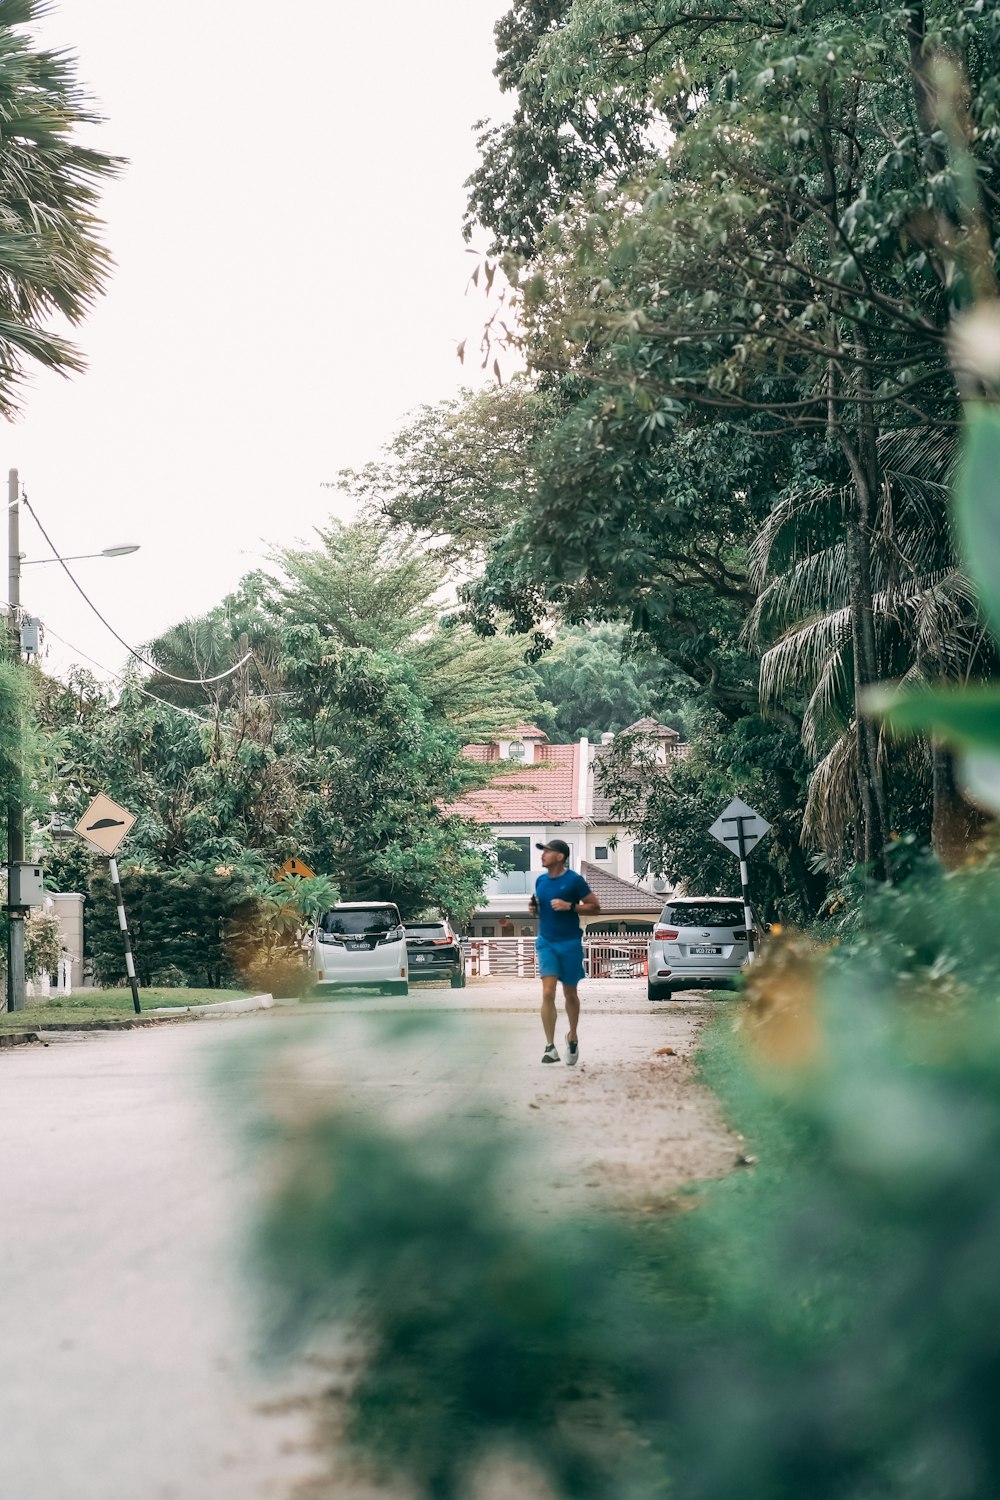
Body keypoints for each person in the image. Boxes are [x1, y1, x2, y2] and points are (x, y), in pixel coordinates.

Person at [529, 838, 600, 1065]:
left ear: (560, 856)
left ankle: (572, 1035)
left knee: (570, 993)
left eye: (547, 852)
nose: (542, 855)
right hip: (546, 942)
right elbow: (541, 909)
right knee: (548, 992)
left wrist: (570, 906)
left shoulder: (574, 881)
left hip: (569, 943)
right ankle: (550, 1047)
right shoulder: (540, 881)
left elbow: (595, 907)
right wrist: (533, 909)